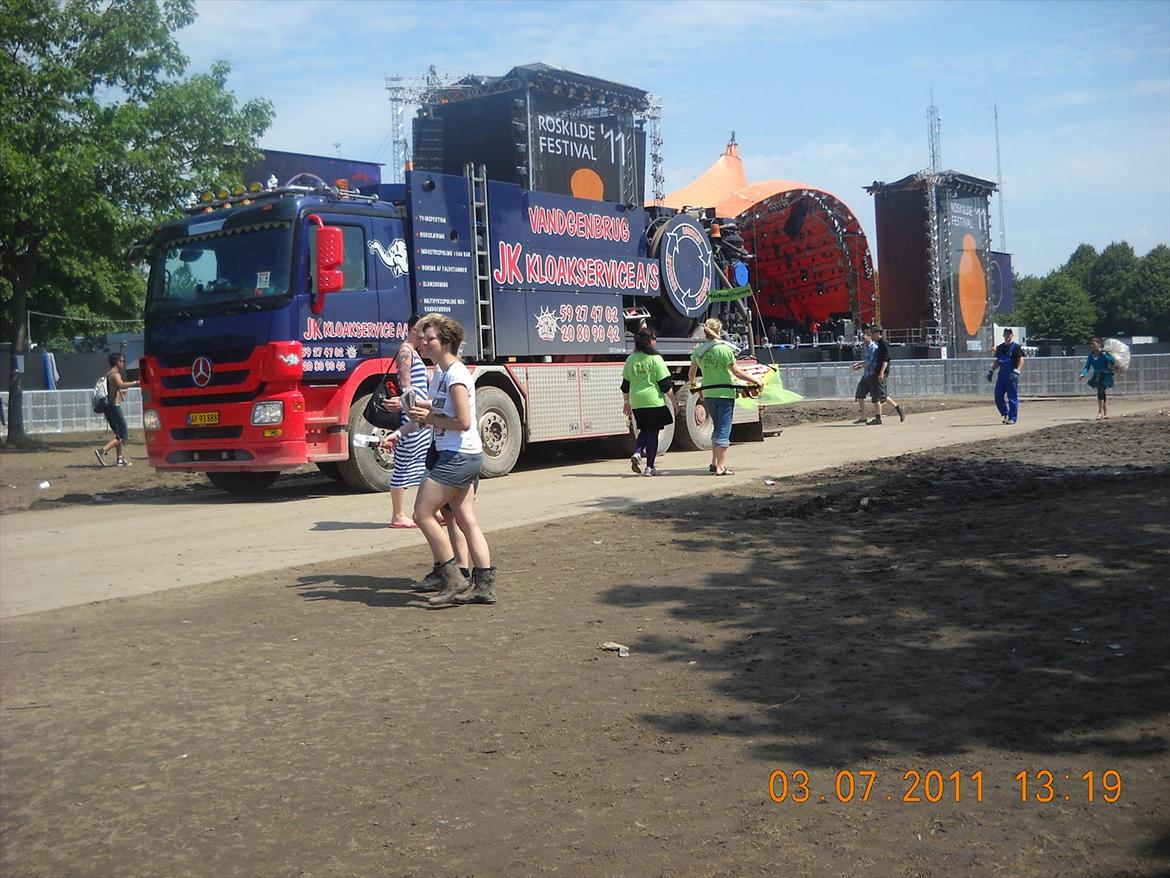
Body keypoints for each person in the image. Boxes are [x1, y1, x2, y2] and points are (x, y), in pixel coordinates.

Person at [384, 315, 494, 607]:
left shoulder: (455, 375)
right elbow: (431, 409)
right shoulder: (443, 374)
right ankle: (483, 586)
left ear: (446, 342)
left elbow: (463, 420)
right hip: (463, 455)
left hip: (457, 456)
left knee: (422, 514)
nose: (423, 343)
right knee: (465, 519)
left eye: (429, 339)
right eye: (421, 338)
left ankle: (454, 579)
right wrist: (402, 421)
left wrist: (428, 417)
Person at [687, 317, 757, 476]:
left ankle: (713, 463)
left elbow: (691, 374)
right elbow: (737, 372)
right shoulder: (724, 350)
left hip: (709, 393)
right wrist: (755, 380)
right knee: (724, 430)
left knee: (717, 428)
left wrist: (696, 388)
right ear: (719, 331)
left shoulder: (699, 351)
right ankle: (721, 467)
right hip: (725, 393)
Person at [384, 317, 432, 528]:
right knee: (404, 464)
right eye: (423, 335)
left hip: (419, 415)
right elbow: (406, 387)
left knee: (423, 463)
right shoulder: (406, 351)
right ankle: (398, 515)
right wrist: (410, 410)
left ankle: (424, 511)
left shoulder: (412, 353)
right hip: (412, 416)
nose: (426, 341)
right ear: (414, 330)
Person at [621, 327, 676, 477]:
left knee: (644, 430)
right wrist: (675, 403)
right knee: (652, 433)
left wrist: (626, 402)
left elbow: (625, 385)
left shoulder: (630, 359)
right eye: (654, 339)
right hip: (654, 402)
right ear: (649, 342)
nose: (655, 341)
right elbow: (665, 385)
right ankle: (650, 467)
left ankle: (638, 452)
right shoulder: (656, 359)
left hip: (638, 402)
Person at [94, 352, 138, 467]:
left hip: (110, 407)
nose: (123, 363)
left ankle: (120, 458)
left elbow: (116, 388)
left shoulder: (109, 374)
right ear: (117, 362)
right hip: (114, 407)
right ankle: (102, 451)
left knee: (118, 433)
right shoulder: (115, 375)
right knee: (123, 433)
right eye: (122, 361)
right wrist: (135, 382)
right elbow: (121, 384)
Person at [866, 326, 905, 425]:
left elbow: (886, 359)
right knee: (877, 395)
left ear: (878, 333)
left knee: (880, 395)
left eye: (873, 333)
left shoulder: (884, 343)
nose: (871, 335)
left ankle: (896, 409)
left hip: (880, 372)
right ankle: (879, 417)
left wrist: (881, 373)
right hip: (877, 371)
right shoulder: (878, 343)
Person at [987, 327, 1024, 424]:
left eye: (1009, 334)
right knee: (998, 395)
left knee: (1012, 397)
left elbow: (1021, 360)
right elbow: (998, 361)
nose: (1007, 336)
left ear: (1012, 336)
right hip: (1002, 376)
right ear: (1003, 335)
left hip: (1011, 375)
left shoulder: (1016, 347)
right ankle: (1005, 413)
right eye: (1006, 334)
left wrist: (1017, 371)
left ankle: (1012, 418)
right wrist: (991, 370)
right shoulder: (1000, 348)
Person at [1080, 336, 1116, 420]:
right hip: (1097, 375)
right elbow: (1087, 366)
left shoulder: (1104, 353)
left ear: (1099, 345)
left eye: (1093, 344)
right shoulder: (1091, 355)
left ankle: (1100, 412)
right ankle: (1104, 412)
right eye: (1091, 344)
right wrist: (1083, 374)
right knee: (1101, 391)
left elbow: (1112, 361)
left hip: (1105, 375)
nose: (1092, 346)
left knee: (1100, 390)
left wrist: (1104, 355)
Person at [849, 326, 879, 424]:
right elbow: (866, 361)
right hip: (866, 375)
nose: (863, 340)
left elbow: (871, 362)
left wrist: (860, 366)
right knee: (860, 394)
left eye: (864, 338)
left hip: (873, 375)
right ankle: (863, 417)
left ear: (869, 337)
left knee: (878, 396)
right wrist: (859, 364)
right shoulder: (866, 348)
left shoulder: (874, 348)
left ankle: (896, 408)